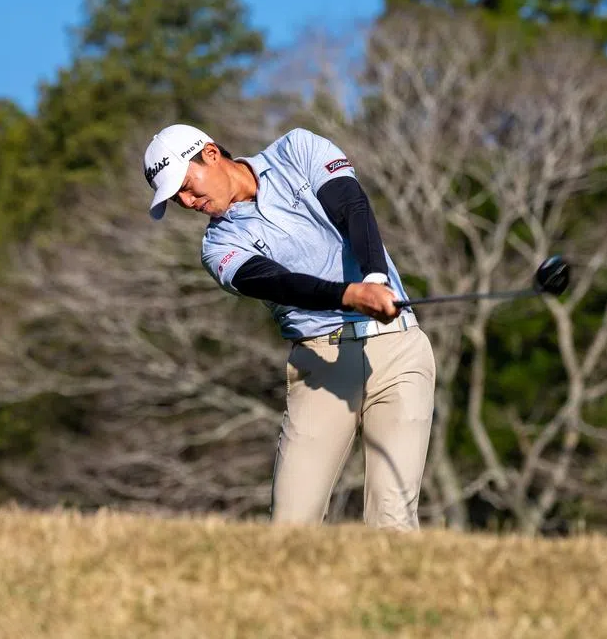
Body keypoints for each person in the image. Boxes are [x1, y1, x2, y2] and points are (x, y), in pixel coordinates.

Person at [143, 122, 437, 531]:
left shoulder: (297, 150)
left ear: (211, 154)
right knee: (290, 527)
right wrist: (349, 296)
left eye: (187, 186)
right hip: (320, 365)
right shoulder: (217, 248)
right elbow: (280, 284)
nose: (188, 201)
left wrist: (374, 279)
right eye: (176, 198)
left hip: (397, 349)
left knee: (392, 518)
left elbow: (352, 207)